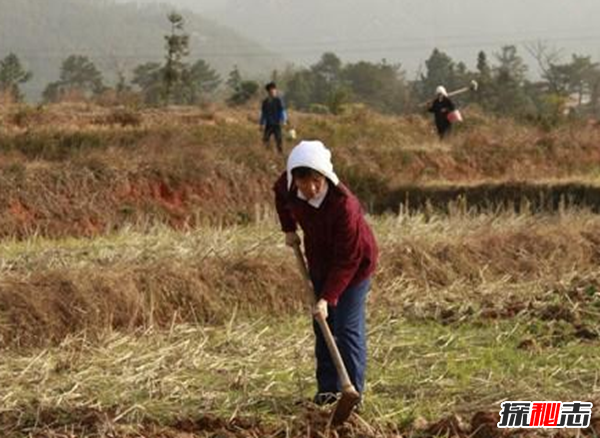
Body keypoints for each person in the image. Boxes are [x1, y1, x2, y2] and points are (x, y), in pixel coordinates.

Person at [273, 140, 378, 407]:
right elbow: (279, 194)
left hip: (354, 267)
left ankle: (352, 397)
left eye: (316, 182)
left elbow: (347, 260)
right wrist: (288, 228)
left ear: (325, 177)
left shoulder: (344, 206)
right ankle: (328, 392)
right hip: (319, 261)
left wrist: (327, 298)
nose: (309, 189)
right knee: (323, 327)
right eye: (303, 182)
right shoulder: (289, 187)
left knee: (346, 327)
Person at [260, 82, 288, 153]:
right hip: (268, 124)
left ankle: (280, 154)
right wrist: (261, 124)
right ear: (268, 92)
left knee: (278, 140)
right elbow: (263, 114)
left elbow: (282, 111)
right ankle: (267, 153)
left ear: (275, 90)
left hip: (277, 124)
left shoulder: (278, 100)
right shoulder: (265, 102)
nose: (272, 92)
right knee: (265, 139)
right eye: (270, 91)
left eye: (273, 90)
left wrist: (284, 120)